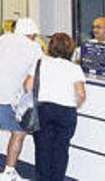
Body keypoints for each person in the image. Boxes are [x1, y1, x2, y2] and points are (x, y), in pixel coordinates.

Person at [0, 18, 43, 181]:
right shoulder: (35, 48)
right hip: (7, 95)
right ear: (32, 34)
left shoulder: (3, 39)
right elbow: (29, 84)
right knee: (19, 132)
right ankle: (9, 172)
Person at [29, 33, 87, 181]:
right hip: (66, 111)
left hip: (44, 110)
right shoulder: (74, 68)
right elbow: (80, 94)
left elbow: (28, 86)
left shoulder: (40, 63)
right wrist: (76, 104)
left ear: (50, 46)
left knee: (43, 149)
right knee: (61, 150)